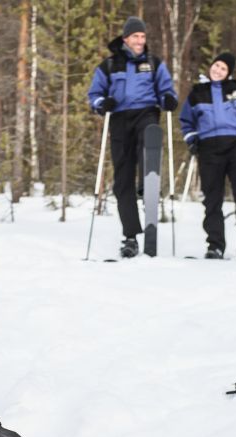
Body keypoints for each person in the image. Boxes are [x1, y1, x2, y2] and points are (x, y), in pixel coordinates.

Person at [88, 16, 178, 259]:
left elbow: (166, 88)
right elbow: (94, 94)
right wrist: (101, 103)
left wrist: (169, 98)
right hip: (118, 119)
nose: (140, 41)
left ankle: (146, 180)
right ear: (126, 38)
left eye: (143, 36)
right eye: (135, 36)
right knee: (121, 182)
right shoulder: (109, 65)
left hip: (146, 114)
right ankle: (130, 236)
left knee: (147, 138)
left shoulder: (153, 62)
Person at [179, 52, 236, 259]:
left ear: (228, 73)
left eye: (223, 69)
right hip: (208, 148)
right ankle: (215, 244)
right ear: (211, 66)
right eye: (216, 66)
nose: (218, 71)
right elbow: (186, 120)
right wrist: (192, 138)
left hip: (235, 145)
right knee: (212, 198)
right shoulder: (198, 92)